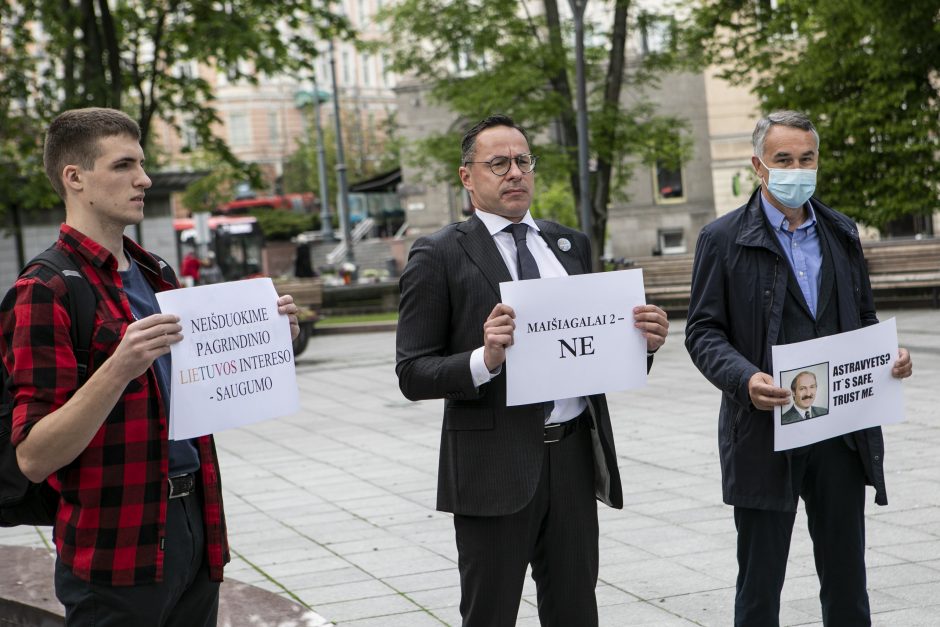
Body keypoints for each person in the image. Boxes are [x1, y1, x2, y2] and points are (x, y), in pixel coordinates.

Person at [0, 108, 301, 626]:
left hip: (194, 525)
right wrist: (118, 368)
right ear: (75, 178)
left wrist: (270, 339)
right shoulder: (45, 288)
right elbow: (33, 455)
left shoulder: (153, 271)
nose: (144, 179)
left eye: (141, 163)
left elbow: (192, 394)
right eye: (123, 166)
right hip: (115, 549)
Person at [395, 114, 669, 626]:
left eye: (523, 161)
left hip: (571, 458)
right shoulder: (438, 253)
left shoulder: (569, 245)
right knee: (490, 614)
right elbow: (412, 371)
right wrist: (483, 360)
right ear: (467, 176)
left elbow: (592, 350)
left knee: (575, 612)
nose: (515, 173)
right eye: (498, 163)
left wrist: (642, 344)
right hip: (492, 467)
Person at [684, 110, 913, 626]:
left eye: (806, 158)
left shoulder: (839, 231)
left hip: (839, 433)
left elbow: (865, 317)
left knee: (848, 582)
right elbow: (701, 332)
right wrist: (743, 378)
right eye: (783, 158)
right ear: (758, 166)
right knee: (760, 585)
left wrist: (889, 357)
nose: (796, 168)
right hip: (765, 435)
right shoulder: (722, 240)